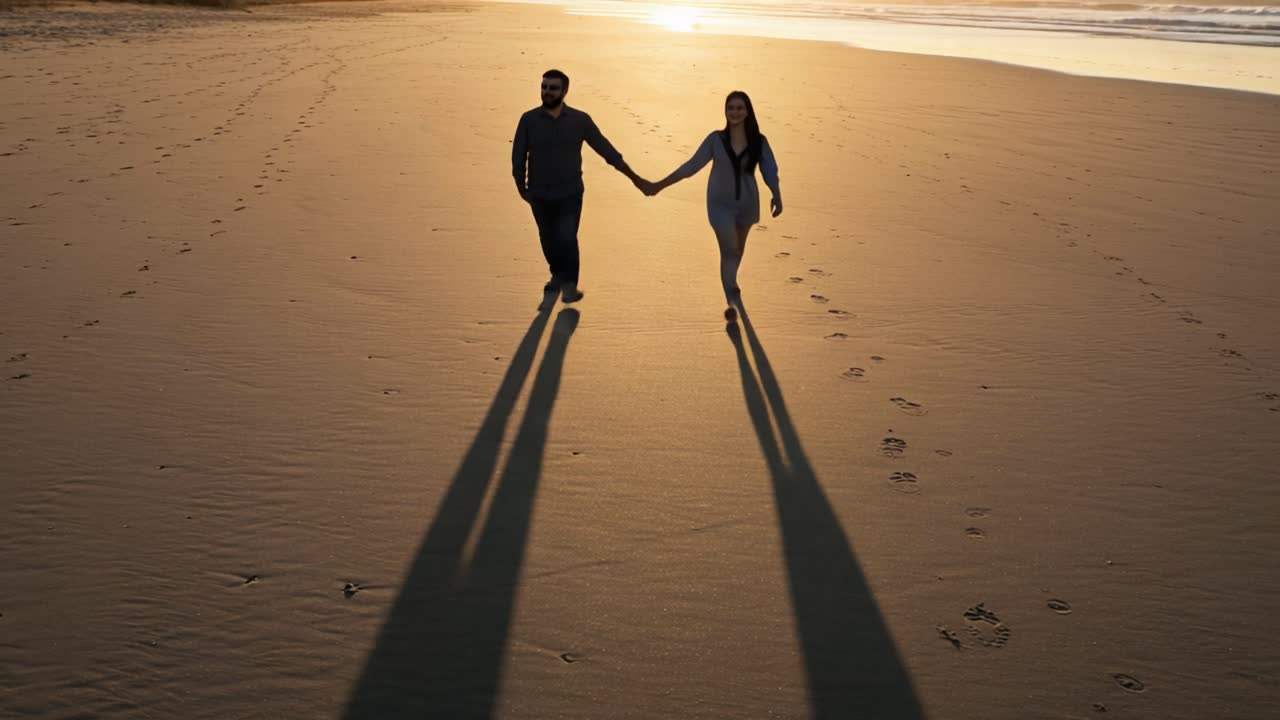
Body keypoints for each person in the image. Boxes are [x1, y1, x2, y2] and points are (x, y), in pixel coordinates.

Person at [512, 69, 649, 303]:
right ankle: (556, 274)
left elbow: (606, 150)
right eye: (544, 87)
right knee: (547, 238)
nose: (547, 92)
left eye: (553, 88)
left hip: (570, 194)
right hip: (539, 194)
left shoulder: (580, 120)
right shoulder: (528, 120)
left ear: (565, 91)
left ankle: (569, 286)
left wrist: (634, 177)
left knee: (567, 237)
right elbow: (518, 156)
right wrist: (522, 189)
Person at [644, 91, 782, 321]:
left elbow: (770, 170)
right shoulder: (715, 140)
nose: (735, 112)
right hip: (720, 206)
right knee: (728, 250)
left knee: (737, 249)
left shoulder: (759, 141)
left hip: (748, 204)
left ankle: (731, 281)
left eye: (739, 108)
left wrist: (777, 195)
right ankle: (730, 300)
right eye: (730, 108)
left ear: (747, 111)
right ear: (725, 112)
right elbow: (691, 167)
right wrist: (660, 185)